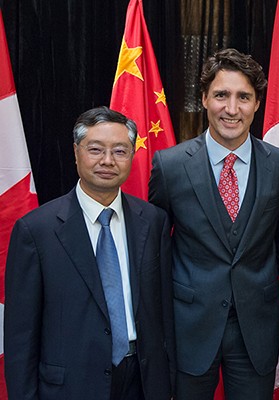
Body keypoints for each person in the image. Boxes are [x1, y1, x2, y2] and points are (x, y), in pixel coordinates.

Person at [148, 48, 279, 400]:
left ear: (257, 103)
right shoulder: (169, 167)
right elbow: (155, 247)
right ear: (203, 99)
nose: (232, 108)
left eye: (243, 97)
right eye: (221, 95)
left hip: (255, 331)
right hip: (189, 328)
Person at [4, 106, 175, 400]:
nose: (107, 161)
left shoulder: (154, 220)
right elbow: (21, 336)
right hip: (70, 385)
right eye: (95, 149)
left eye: (120, 151)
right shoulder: (37, 231)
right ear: (75, 152)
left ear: (132, 155)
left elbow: (163, 311)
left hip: (143, 381)